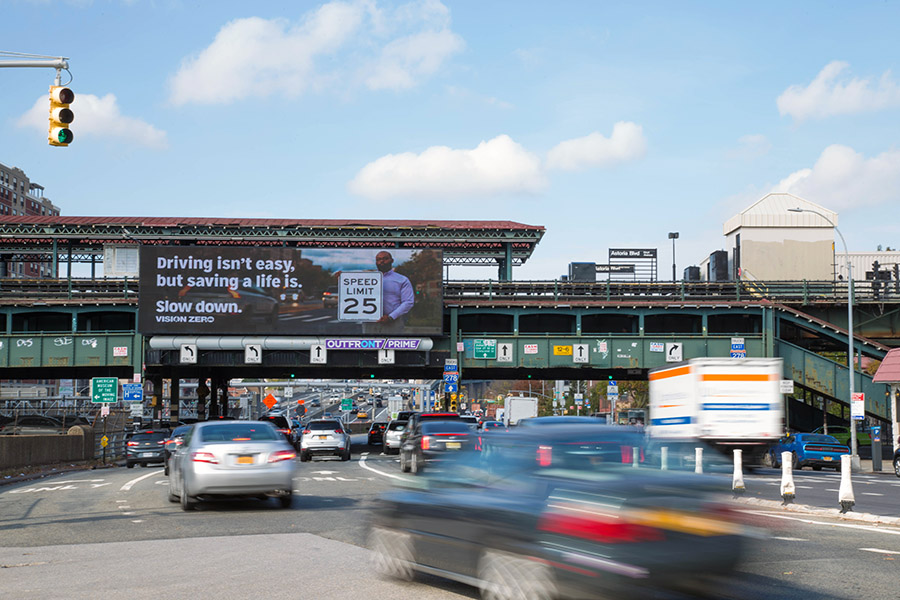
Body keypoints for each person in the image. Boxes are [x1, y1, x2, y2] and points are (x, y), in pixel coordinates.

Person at [373, 251, 414, 333]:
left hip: (393, 322)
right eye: (379, 259)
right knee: (369, 345)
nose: (382, 261)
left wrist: (391, 317)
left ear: (392, 260)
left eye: (385, 258)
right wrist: (341, 279)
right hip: (370, 323)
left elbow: (408, 302)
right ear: (376, 262)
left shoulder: (402, 280)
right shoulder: (366, 279)